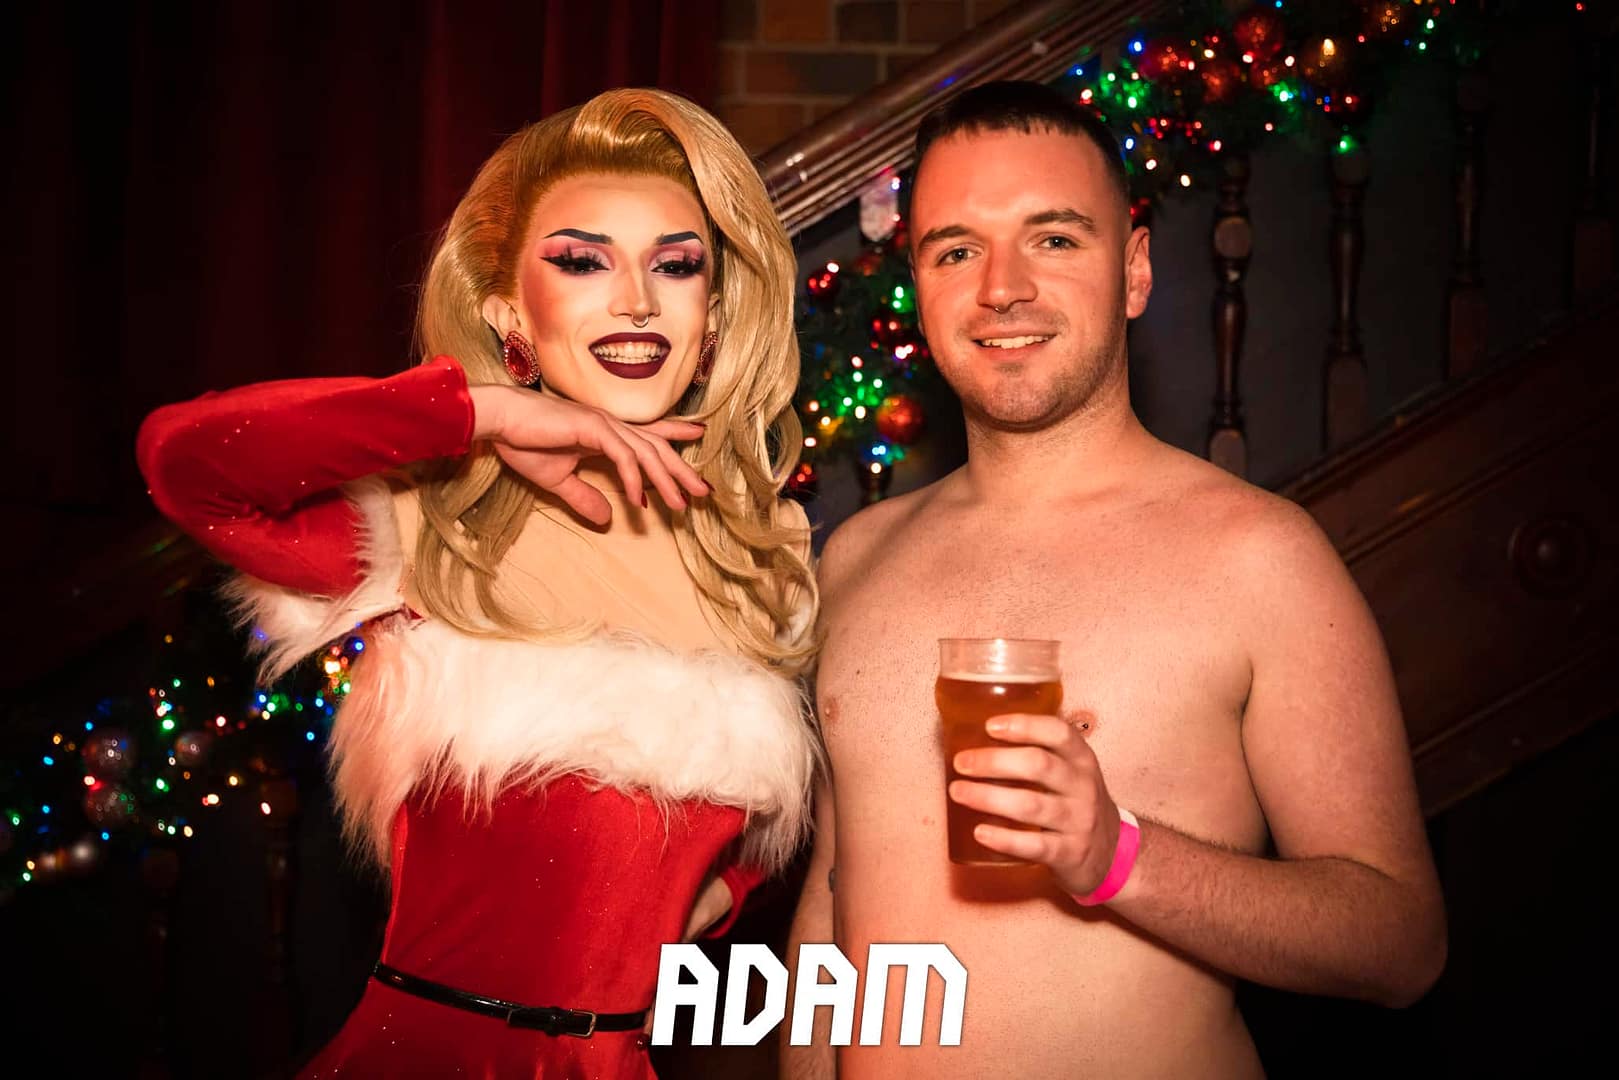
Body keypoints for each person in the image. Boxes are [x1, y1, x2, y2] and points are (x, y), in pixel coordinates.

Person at [138, 88, 820, 1078]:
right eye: (582, 262)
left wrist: (693, 910)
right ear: (509, 312)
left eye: (675, 266)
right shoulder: (426, 519)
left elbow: (754, 841)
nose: (636, 299)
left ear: (711, 317)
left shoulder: (758, 552)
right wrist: (477, 418)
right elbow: (186, 461)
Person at [784, 80, 1446, 1078]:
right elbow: (831, 906)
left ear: (1133, 271)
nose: (1001, 288)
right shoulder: (855, 558)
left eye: (1053, 239)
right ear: (917, 284)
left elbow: (1398, 944)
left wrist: (1118, 857)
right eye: (956, 250)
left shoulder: (1258, 557)